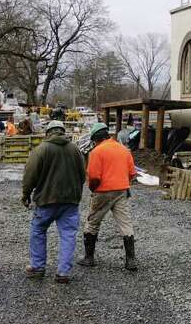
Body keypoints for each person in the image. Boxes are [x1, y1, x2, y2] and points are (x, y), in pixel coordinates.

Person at [21, 119, 86, 283]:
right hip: (70, 201)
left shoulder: (41, 149)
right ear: (63, 132)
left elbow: (30, 176)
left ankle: (37, 267)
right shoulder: (75, 150)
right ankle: (63, 273)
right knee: (68, 235)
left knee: (38, 231)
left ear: (48, 133)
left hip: (46, 200)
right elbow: (82, 175)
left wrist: (26, 194)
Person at [77, 123, 139, 271]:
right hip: (121, 190)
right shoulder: (124, 150)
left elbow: (94, 176)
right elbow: (132, 174)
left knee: (93, 222)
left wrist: (93, 189)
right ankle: (131, 261)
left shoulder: (97, 152)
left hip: (103, 191)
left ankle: (89, 258)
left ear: (96, 138)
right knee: (125, 223)